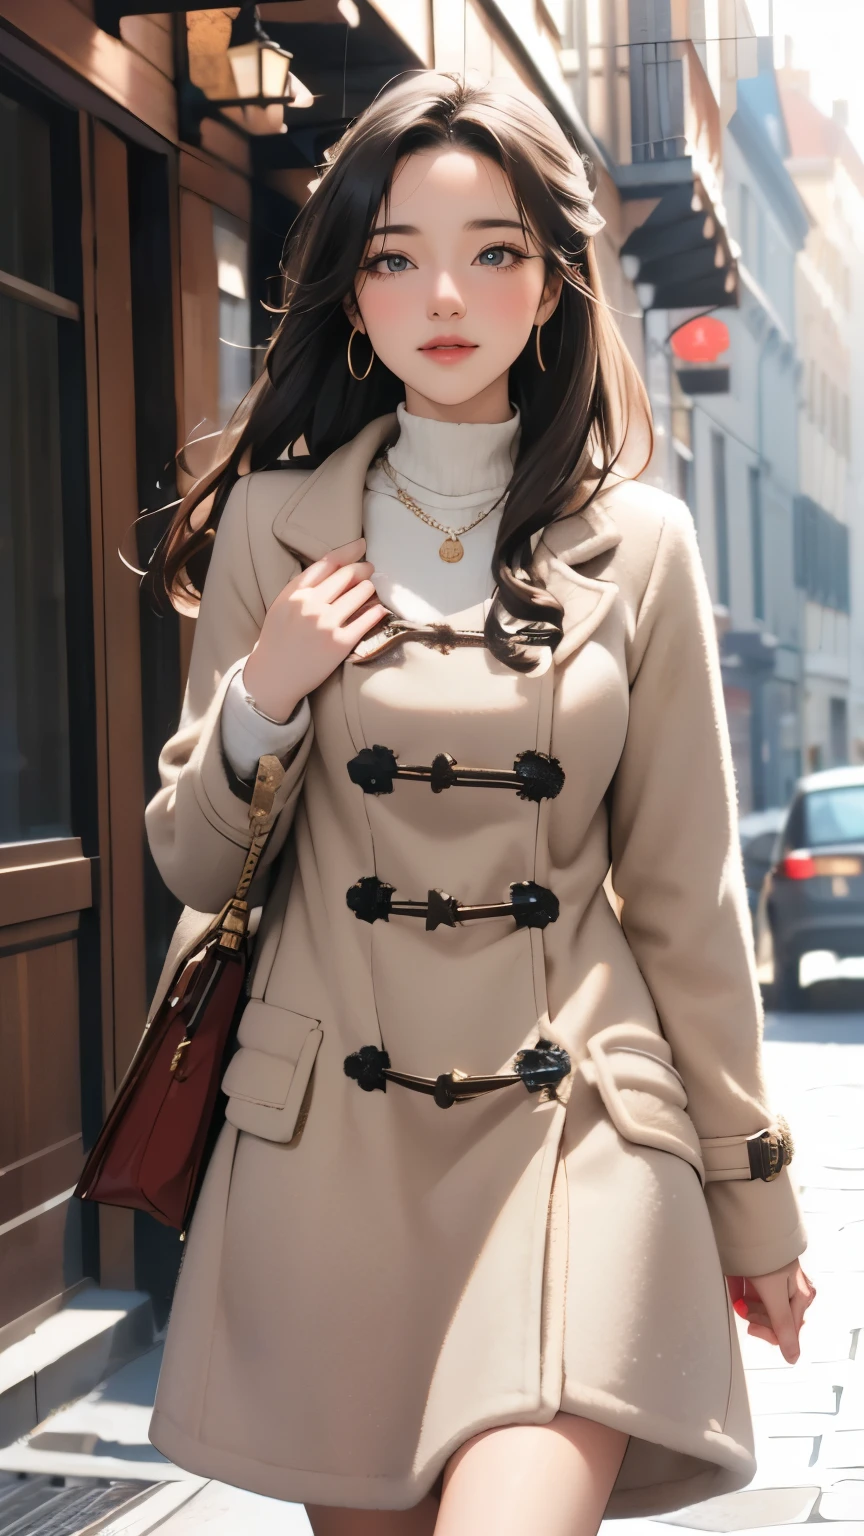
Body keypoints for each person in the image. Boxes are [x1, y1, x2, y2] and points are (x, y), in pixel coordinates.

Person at [144, 72, 814, 1536]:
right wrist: (266, 691)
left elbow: (689, 904)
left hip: (578, 1129)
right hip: (337, 1155)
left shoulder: (641, 545)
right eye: (395, 256)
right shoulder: (274, 523)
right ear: (351, 299)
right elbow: (192, 856)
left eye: (494, 250)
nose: (444, 292)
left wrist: (754, 1208)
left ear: (556, 283)